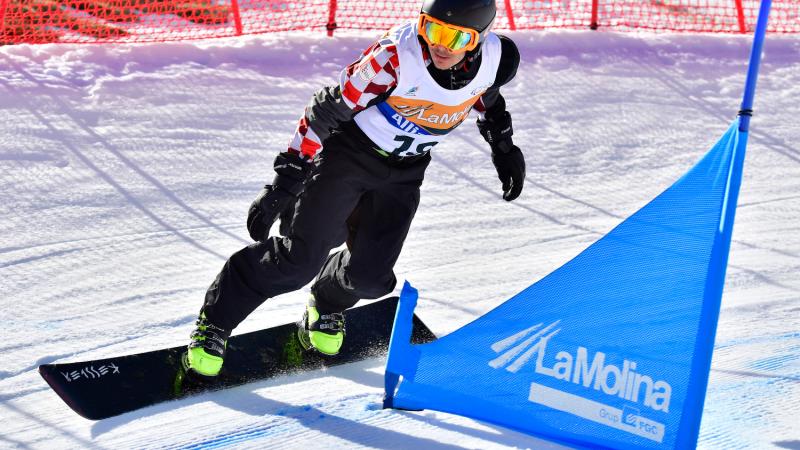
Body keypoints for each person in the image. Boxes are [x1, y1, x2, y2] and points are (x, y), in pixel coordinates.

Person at [184, 0, 524, 378]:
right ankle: (215, 321)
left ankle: (326, 302)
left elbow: (485, 96)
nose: (439, 45)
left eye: (455, 38)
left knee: (371, 278)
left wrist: (504, 147)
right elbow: (326, 110)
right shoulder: (394, 59)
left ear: (479, 40)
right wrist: (286, 181)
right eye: (431, 29)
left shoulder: (496, 61)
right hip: (349, 157)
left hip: (405, 172)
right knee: (299, 260)